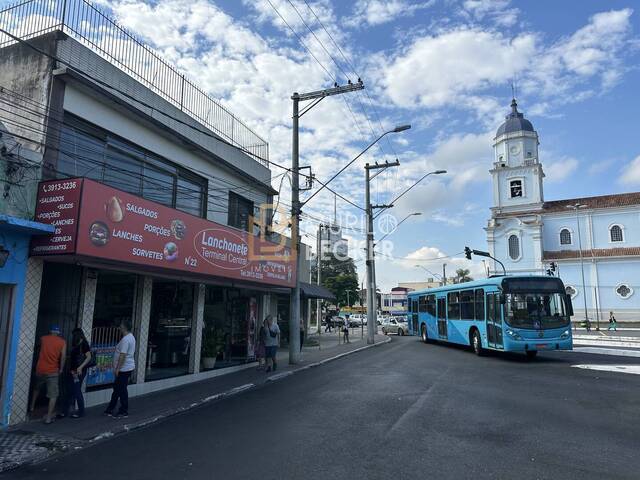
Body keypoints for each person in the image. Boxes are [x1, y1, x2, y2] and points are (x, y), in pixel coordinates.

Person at [30, 325, 66, 424]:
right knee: (53, 395)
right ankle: (48, 418)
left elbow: (37, 348)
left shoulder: (43, 339)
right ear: (58, 332)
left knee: (37, 388)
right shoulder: (62, 342)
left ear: (50, 331)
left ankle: (32, 407)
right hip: (53, 371)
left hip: (40, 369)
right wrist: (61, 369)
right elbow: (63, 357)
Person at [104, 321, 136, 418]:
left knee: (121, 389)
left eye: (121, 326)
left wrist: (118, 368)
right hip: (126, 367)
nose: (119, 327)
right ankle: (110, 408)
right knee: (118, 389)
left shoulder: (126, 339)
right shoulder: (131, 337)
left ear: (124, 327)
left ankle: (123, 410)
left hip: (124, 368)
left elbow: (123, 355)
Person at [61, 328, 92, 418]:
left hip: (78, 372)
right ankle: (65, 411)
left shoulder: (84, 344)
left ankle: (80, 411)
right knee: (70, 391)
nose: (72, 337)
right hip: (73, 371)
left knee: (76, 390)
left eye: (73, 335)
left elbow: (89, 357)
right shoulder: (78, 344)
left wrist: (80, 367)